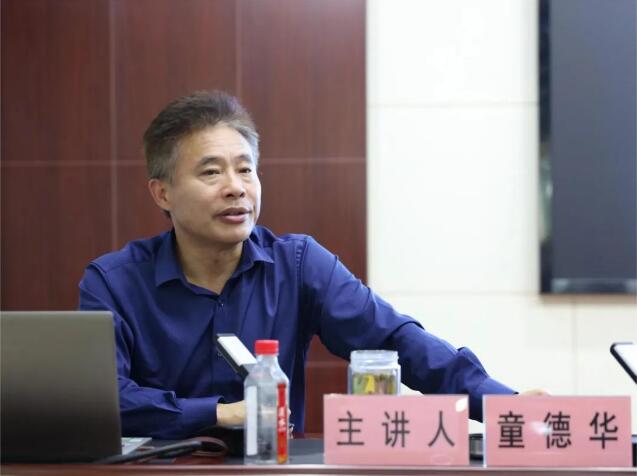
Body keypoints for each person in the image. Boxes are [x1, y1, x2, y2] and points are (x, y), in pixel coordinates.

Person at [79, 90, 520, 439]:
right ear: (163, 193)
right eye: (211, 172)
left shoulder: (297, 264)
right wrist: (219, 413)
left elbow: (397, 341)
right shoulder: (114, 283)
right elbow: (102, 401)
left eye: (245, 169)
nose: (236, 188)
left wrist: (505, 407)